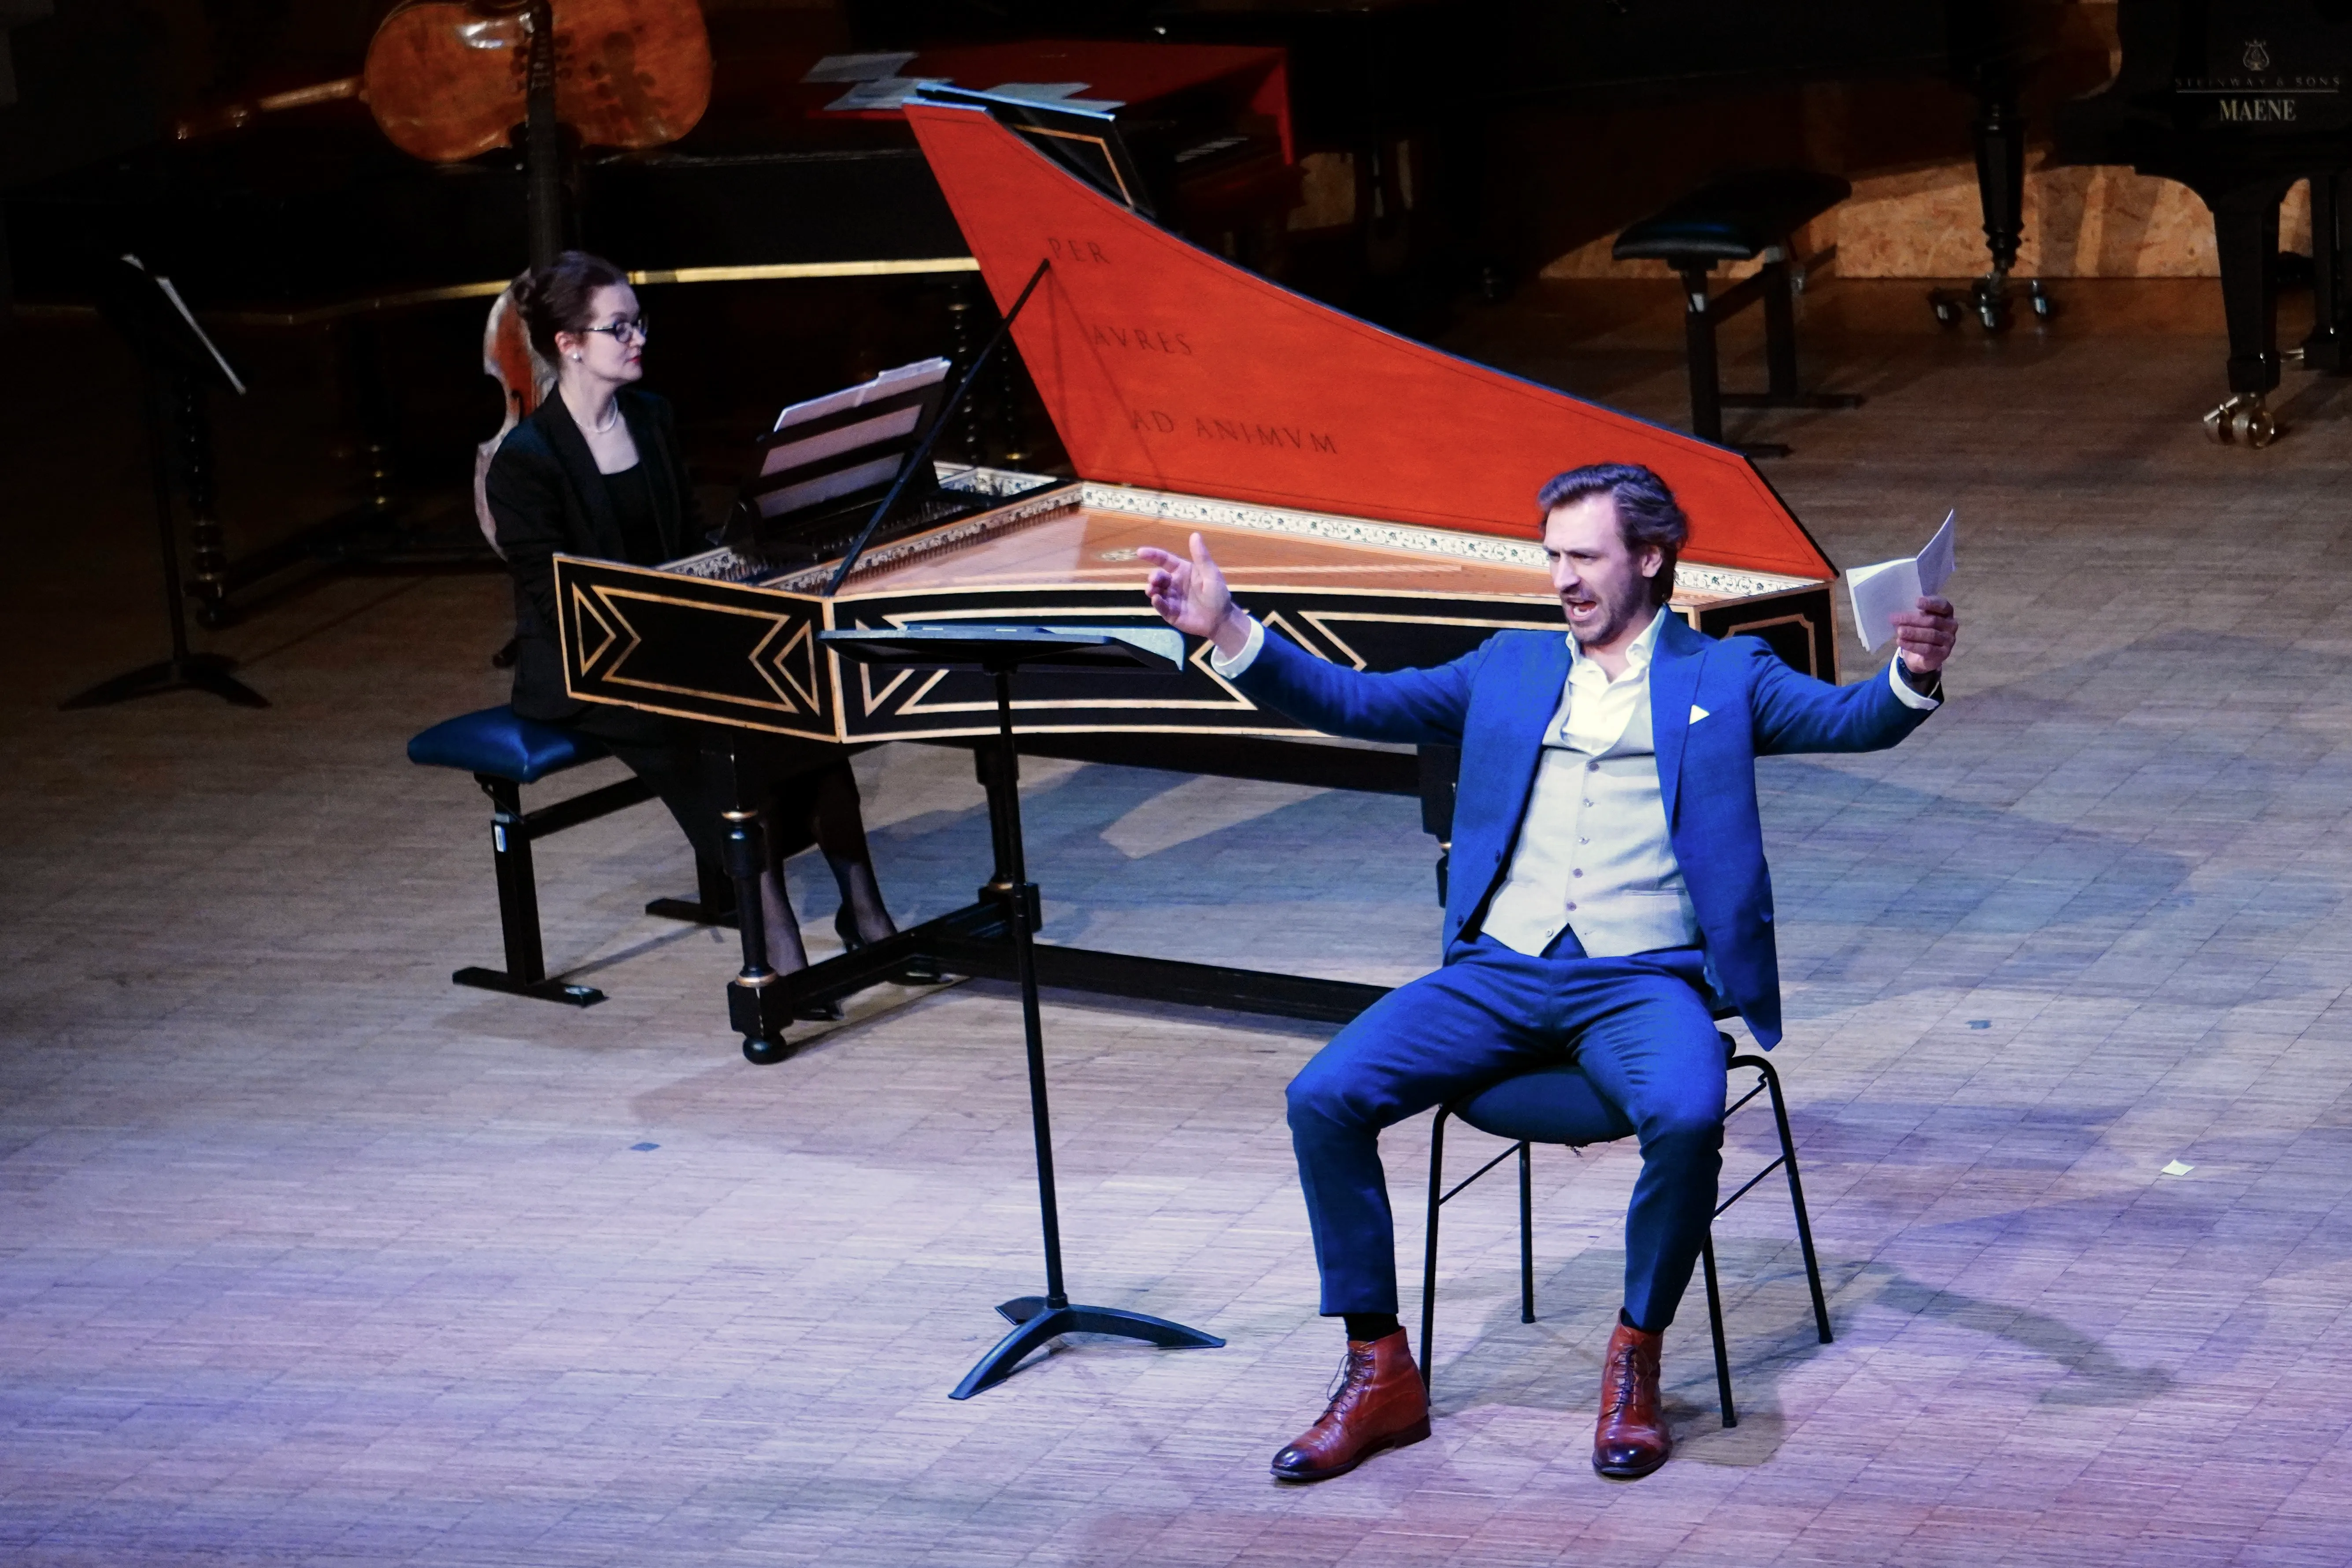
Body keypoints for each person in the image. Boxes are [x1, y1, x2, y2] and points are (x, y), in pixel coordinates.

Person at [1140, 462, 1958, 1483]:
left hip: (1638, 982)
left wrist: (1911, 672)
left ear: (1649, 559)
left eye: (1583, 558)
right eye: (1552, 557)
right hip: (1497, 975)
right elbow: (1354, 701)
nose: (1561, 579)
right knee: (1323, 1096)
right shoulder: (1509, 667)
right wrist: (1226, 629)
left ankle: (1635, 1357)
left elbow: (1853, 721)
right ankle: (1378, 1367)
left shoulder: (1722, 678)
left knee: (1688, 1116)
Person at [484, 250, 908, 989]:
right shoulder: (527, 458)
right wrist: (670, 634)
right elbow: (554, 595)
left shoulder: (649, 417)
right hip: (586, 662)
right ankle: (772, 935)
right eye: (618, 327)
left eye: (638, 322)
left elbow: (686, 541)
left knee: (798, 697)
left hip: (670, 637)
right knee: (719, 728)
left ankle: (864, 909)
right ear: (570, 344)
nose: (638, 338)